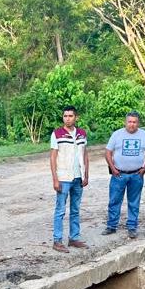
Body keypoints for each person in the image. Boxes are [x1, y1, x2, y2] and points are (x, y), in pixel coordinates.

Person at [103, 111, 145, 239]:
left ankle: (132, 227)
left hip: (136, 175)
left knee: (134, 202)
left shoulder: (144, 135)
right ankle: (111, 226)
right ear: (125, 122)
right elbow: (108, 152)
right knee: (114, 201)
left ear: (138, 123)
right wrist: (112, 168)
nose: (132, 124)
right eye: (129, 121)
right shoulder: (117, 134)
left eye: (134, 122)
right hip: (119, 174)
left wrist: (144, 168)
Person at [49, 105, 89, 253]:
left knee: (75, 209)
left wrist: (86, 175)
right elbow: (53, 158)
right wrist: (55, 179)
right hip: (63, 177)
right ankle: (57, 241)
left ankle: (74, 238)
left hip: (78, 178)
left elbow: (85, 155)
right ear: (63, 117)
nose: (67, 118)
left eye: (70, 116)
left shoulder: (82, 134)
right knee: (60, 210)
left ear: (76, 117)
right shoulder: (57, 134)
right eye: (65, 116)